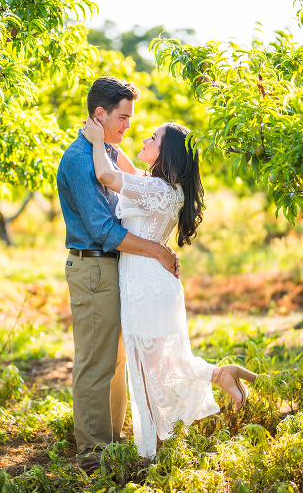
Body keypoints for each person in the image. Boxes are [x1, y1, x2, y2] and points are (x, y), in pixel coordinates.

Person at [82, 116, 257, 459]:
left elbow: (107, 175)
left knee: (150, 372)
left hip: (145, 286)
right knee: (158, 367)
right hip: (150, 283)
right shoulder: (159, 187)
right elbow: (130, 174)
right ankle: (216, 377)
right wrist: (111, 144)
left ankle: (154, 453)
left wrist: (95, 140)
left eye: (153, 138)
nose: (145, 139)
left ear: (168, 155)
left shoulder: (158, 190)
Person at [56, 76, 181, 473]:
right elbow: (103, 230)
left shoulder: (104, 151)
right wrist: (158, 250)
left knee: (116, 360)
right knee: (96, 361)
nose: (129, 125)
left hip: (112, 267)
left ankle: (112, 442)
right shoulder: (81, 159)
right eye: (124, 117)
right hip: (92, 264)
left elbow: (131, 183)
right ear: (100, 114)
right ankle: (93, 455)